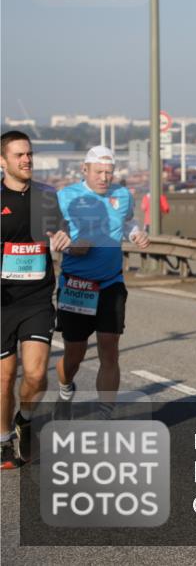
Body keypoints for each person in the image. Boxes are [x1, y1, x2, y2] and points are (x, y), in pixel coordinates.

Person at [55, 146, 150, 411]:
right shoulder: (65, 197)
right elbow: (51, 236)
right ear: (84, 170)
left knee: (109, 350)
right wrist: (70, 245)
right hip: (76, 285)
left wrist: (135, 235)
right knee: (74, 354)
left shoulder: (122, 195)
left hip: (111, 283)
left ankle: (106, 415)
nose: (104, 178)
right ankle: (64, 389)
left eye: (109, 173)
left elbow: (128, 223)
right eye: (98, 172)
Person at [0, 131, 72, 468]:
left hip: (37, 297)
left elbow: (61, 231)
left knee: (35, 374)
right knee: (4, 375)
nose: (27, 160)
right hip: (2, 300)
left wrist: (62, 236)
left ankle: (24, 418)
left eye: (29, 154)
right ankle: (2, 439)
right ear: (3, 162)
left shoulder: (46, 196)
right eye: (19, 156)